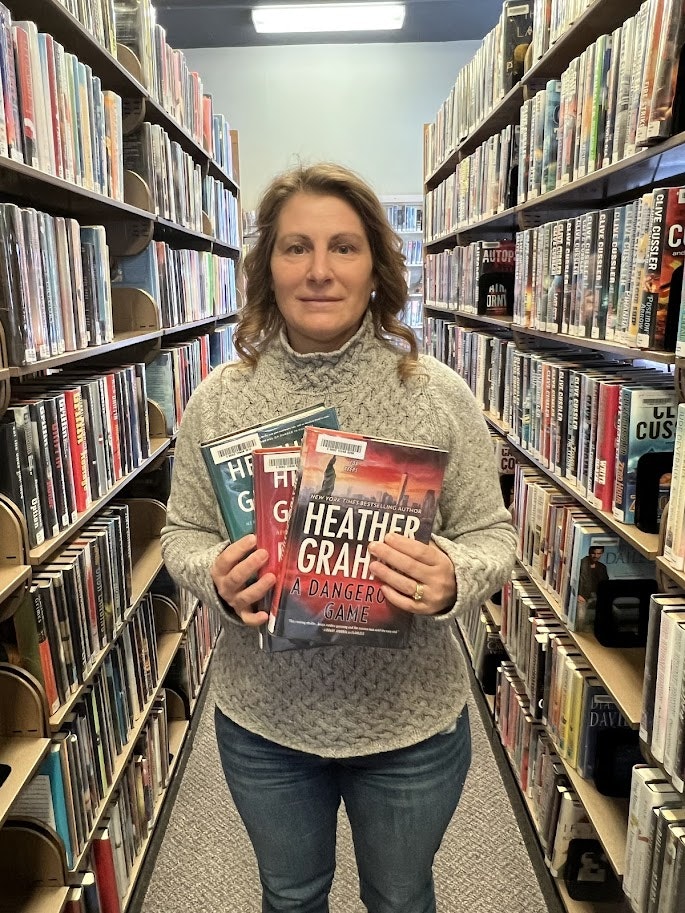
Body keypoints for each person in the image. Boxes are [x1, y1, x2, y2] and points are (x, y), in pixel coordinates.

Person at [161, 162, 517, 913]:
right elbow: (181, 533)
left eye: (343, 248)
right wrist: (215, 575)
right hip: (265, 722)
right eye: (295, 248)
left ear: (376, 268)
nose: (318, 271)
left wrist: (451, 573)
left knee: (399, 896)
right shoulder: (220, 399)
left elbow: (491, 533)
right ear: (267, 268)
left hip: (410, 724)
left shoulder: (438, 394)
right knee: (290, 896)